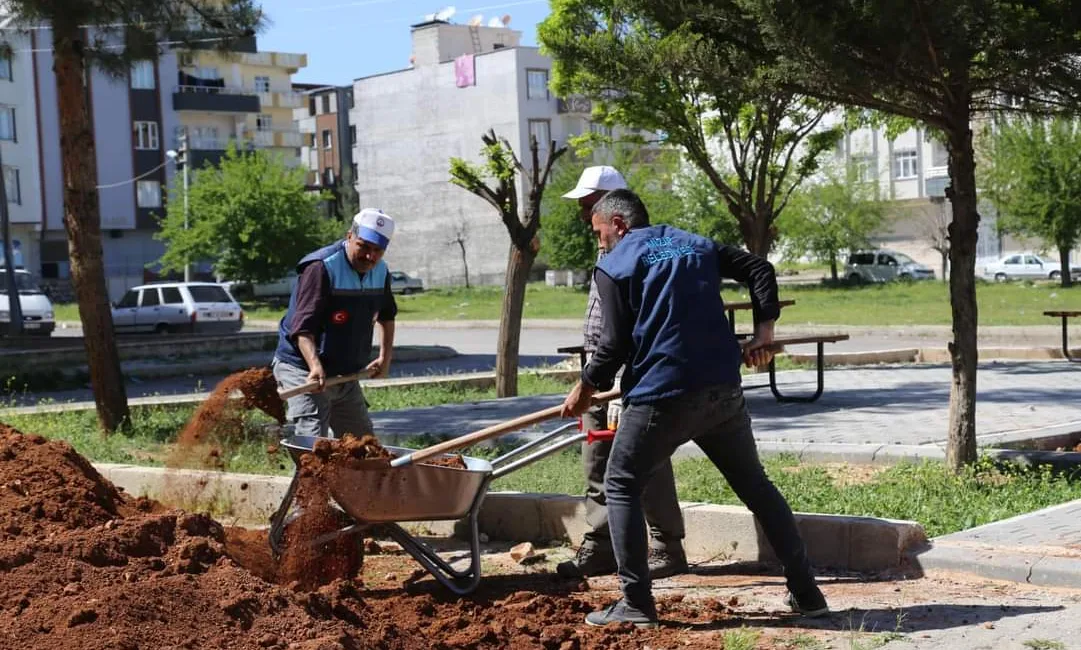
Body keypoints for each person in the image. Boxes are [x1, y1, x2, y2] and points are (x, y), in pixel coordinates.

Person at [561, 189, 829, 628]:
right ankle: (807, 592)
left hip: (661, 395)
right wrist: (764, 334)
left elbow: (612, 346)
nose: (599, 242)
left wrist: (586, 387)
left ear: (619, 224)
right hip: (721, 391)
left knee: (622, 481)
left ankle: (635, 603)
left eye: (599, 232)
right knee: (756, 487)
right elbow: (759, 269)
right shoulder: (695, 244)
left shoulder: (613, 265)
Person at [555, 166, 687, 580]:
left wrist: (627, 379)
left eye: (587, 203)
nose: (581, 213)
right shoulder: (605, 246)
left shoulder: (646, 252)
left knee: (646, 460)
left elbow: (645, 319)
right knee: (596, 457)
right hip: (598, 368)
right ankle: (601, 545)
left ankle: (666, 546)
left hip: (635, 374)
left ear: (616, 207)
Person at [272, 208, 398, 439]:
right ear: (350, 236)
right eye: (364, 246)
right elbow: (303, 328)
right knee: (313, 447)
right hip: (303, 368)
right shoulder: (321, 267)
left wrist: (385, 358)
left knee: (363, 447)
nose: (370, 257)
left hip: (343, 374)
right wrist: (314, 366)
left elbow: (387, 316)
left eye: (377, 251)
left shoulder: (381, 271)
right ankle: (306, 475)